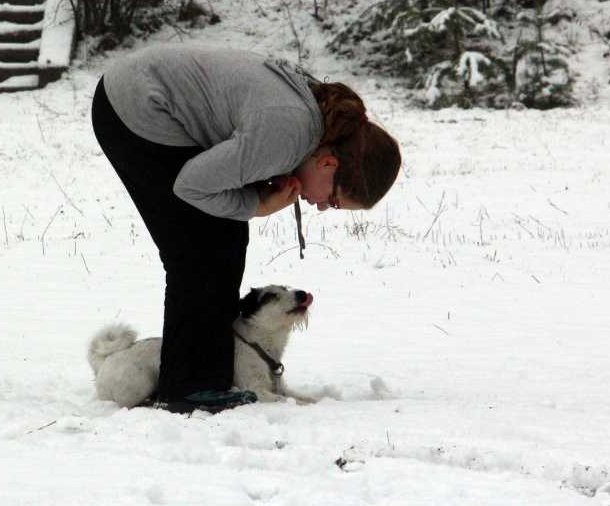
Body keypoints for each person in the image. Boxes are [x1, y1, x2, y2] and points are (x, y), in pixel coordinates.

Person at [91, 43, 401, 414]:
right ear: (328, 164)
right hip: (136, 107)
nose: (320, 207)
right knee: (198, 248)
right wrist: (256, 205)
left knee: (223, 235)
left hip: (144, 89)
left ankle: (211, 377)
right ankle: (189, 389)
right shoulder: (287, 136)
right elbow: (190, 186)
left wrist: (251, 194)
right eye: (332, 201)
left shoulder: (313, 129)